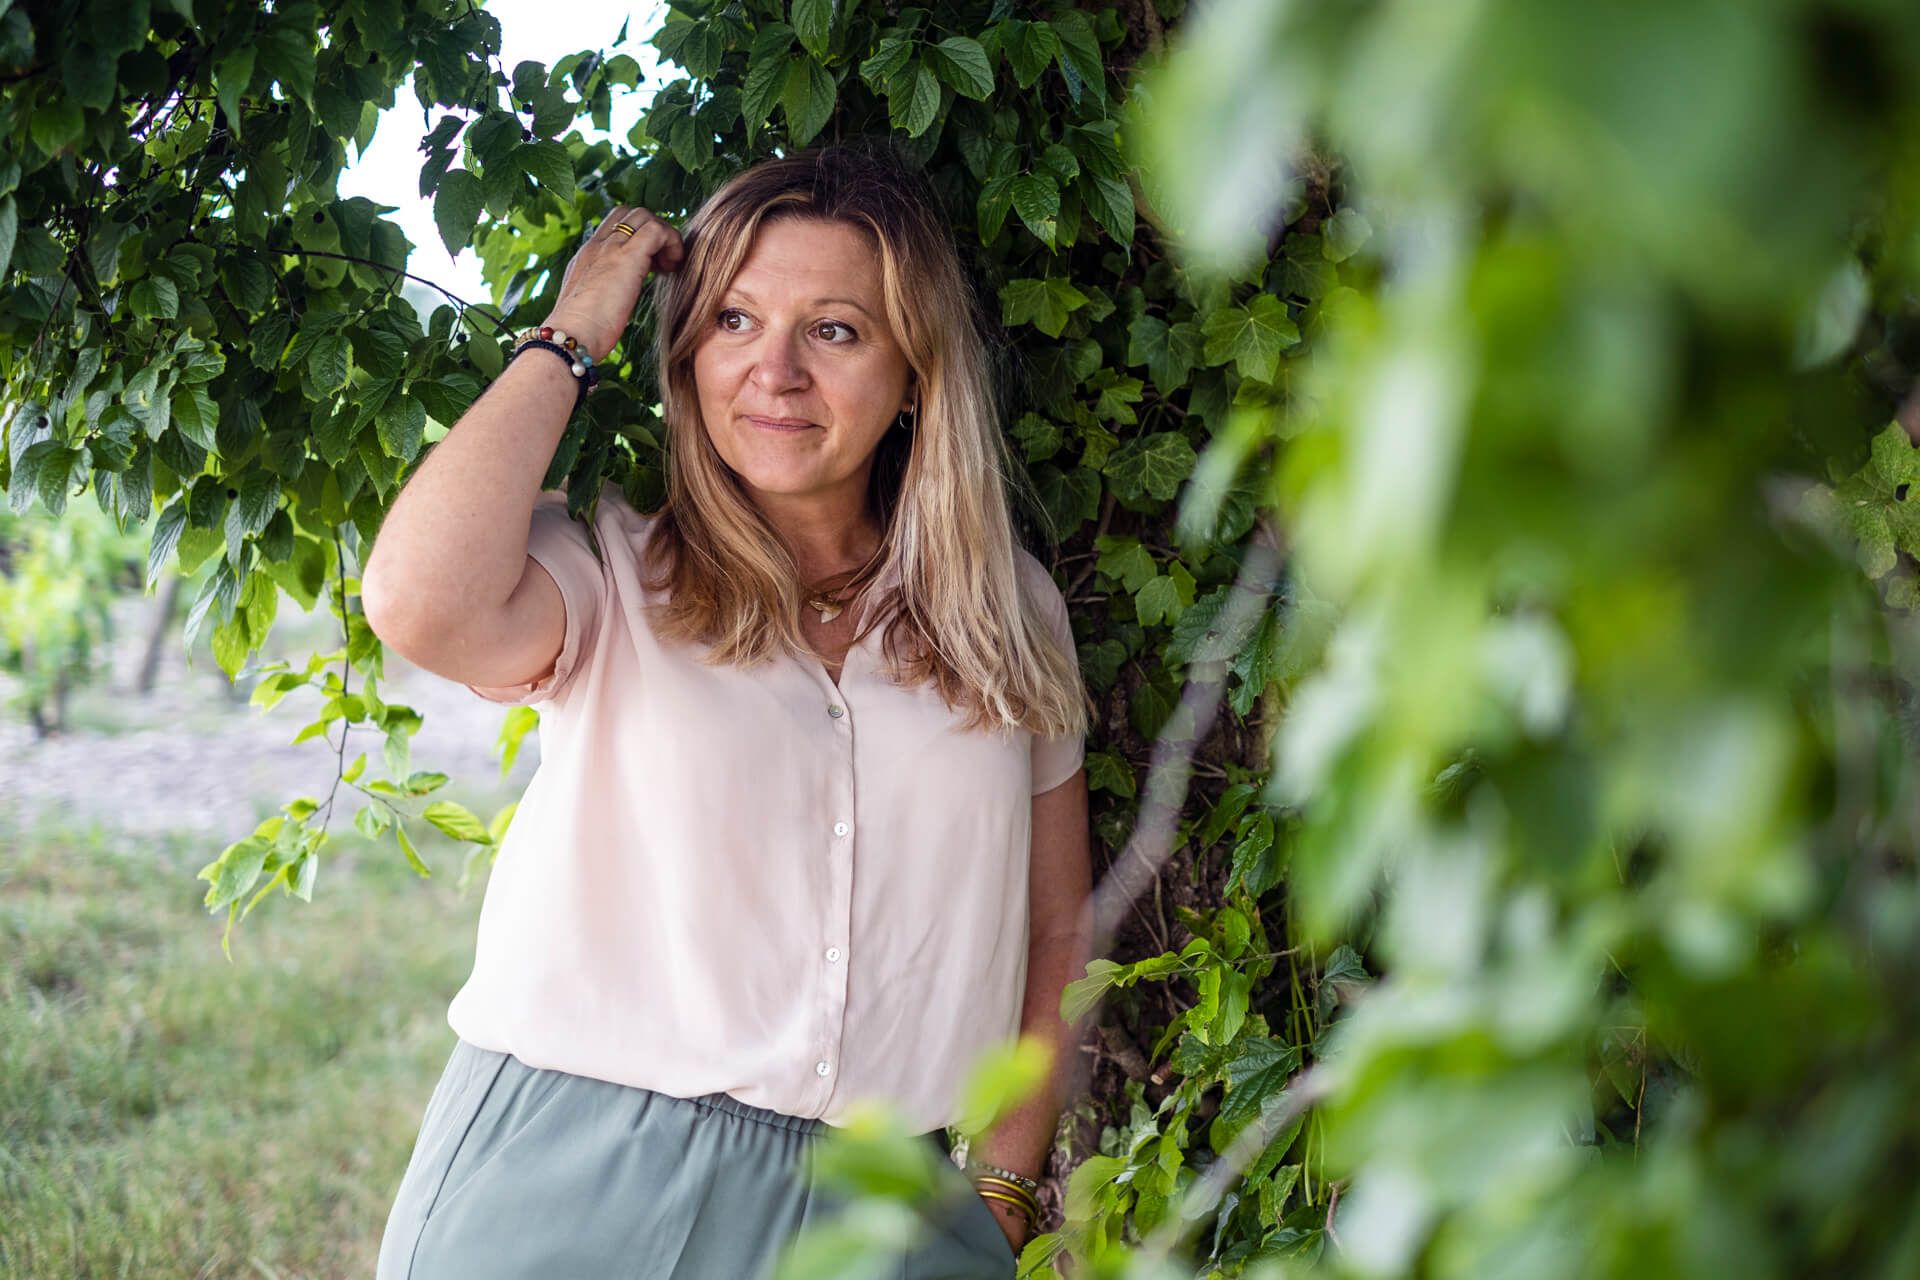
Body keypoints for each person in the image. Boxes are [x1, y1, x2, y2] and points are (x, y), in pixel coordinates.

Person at [360, 145, 1093, 1280]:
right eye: (737, 321)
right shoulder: (609, 570)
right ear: (687, 351)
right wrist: (573, 332)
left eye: (835, 330)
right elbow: (416, 597)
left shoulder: (1009, 614)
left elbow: (1057, 929)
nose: (777, 372)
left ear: (914, 371)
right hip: (572, 1182)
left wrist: (999, 1182)